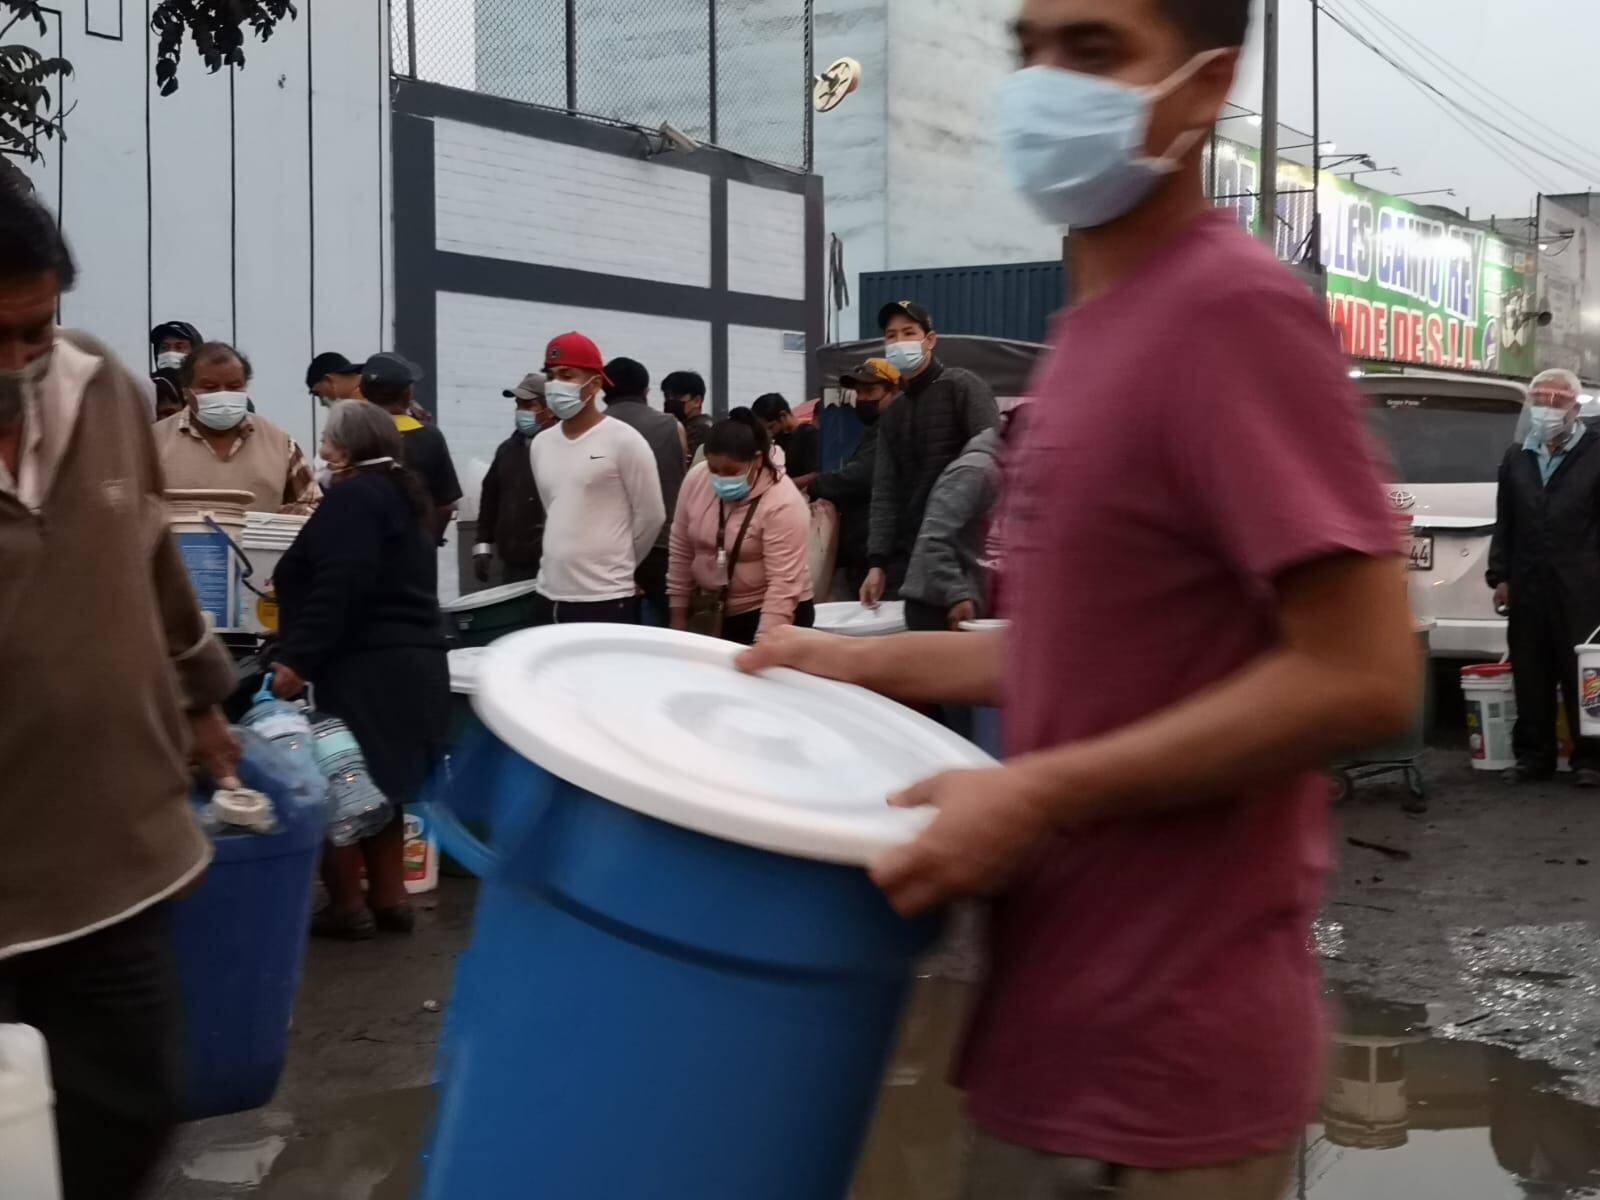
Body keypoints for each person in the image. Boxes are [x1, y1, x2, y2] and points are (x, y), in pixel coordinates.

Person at [738, 1, 1418, 1196]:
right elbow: (1074, 648)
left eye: (1094, 49)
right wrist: (827, 662)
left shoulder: (1233, 313)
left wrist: (1036, 791)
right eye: (1029, 47)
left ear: (1206, 87)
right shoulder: (1095, 331)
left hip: (1161, 1083)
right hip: (1052, 1037)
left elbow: (1359, 671)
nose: (1045, 83)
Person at [0, 178, 239, 1200]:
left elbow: (149, 550)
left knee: (130, 1108)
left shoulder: (101, 385)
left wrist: (201, 695)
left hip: (117, 858)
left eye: (35, 330)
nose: (17, 363)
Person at [269, 400, 450, 938]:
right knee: (383, 784)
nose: (322, 448)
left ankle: (349, 903)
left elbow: (340, 583)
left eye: (327, 439)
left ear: (343, 449)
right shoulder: (401, 494)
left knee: (341, 779)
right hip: (410, 661)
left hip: (364, 664)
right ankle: (391, 898)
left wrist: (297, 659)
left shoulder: (353, 498)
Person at [1488, 367, 1600, 786]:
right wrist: (1500, 575)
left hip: (1584, 584)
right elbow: (1506, 522)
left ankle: (1590, 759)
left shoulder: (1595, 452)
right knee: (1530, 669)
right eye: (1540, 399)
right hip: (1528, 579)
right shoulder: (1518, 456)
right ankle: (1534, 756)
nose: (1547, 408)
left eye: (1556, 400)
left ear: (1575, 406)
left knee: (1583, 674)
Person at [864, 300, 999, 607]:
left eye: (908, 333)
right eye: (891, 336)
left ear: (930, 340)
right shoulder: (894, 411)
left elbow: (991, 462)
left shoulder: (963, 387)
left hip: (964, 558)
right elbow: (885, 491)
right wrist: (877, 562)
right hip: (910, 562)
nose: (899, 342)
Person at [530, 332, 666, 625]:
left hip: (604, 598)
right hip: (548, 592)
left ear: (595, 383)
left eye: (567, 375)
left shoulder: (624, 440)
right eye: (551, 375)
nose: (556, 385)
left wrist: (619, 564)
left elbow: (652, 515)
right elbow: (554, 508)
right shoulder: (541, 444)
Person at [669, 409, 814, 645]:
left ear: (757, 460)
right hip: (713, 610)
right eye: (714, 470)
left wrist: (764, 643)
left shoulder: (783, 501)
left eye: (731, 471)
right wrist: (678, 617)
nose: (720, 478)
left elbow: (783, 584)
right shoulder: (696, 479)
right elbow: (680, 549)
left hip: (770, 611)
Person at [153, 340, 322, 514]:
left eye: (234, 387)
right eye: (210, 388)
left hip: (259, 541)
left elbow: (313, 506)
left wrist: (293, 515)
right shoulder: (154, 442)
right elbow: (133, 509)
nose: (223, 394)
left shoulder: (279, 443)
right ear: (186, 392)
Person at [603, 356, 688, 622]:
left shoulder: (592, 431)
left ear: (604, 390)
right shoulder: (672, 427)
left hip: (607, 550)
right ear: (646, 391)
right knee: (661, 635)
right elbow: (680, 482)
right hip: (662, 547)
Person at [811, 358, 900, 598]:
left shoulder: (893, 428)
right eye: (858, 392)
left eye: (870, 391)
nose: (862, 399)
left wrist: (817, 485)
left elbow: (861, 475)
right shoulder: (876, 429)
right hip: (863, 549)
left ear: (894, 391)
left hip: (882, 554)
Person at [900, 426, 1003, 632]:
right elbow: (933, 538)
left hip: (973, 606)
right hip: (939, 608)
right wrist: (957, 594)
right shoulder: (975, 471)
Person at [361, 351, 461, 543]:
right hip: (414, 552)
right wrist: (429, 542)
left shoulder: (350, 433)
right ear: (408, 394)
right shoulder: (429, 437)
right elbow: (445, 506)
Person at [474, 372, 553, 586]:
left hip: (553, 565)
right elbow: (490, 498)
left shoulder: (562, 448)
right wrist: (482, 546)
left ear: (550, 408)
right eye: (519, 405)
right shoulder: (507, 450)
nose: (521, 411)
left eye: (529, 405)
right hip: (514, 565)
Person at [752, 392, 820, 487]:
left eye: (771, 427)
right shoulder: (778, 438)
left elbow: (816, 475)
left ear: (783, 416)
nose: (770, 433)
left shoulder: (810, 436)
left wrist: (781, 486)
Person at [150, 319, 202, 421]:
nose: (170, 352)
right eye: (164, 347)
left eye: (180, 347)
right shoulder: (149, 389)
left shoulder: (205, 392)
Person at [663, 369, 713, 460]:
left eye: (677, 397)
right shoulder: (686, 425)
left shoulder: (700, 430)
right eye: (667, 396)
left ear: (697, 401)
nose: (670, 401)